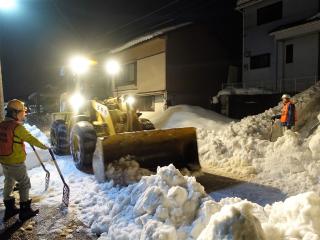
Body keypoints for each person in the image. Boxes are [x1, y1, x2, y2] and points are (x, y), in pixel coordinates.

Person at [0, 99, 48, 221]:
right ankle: (25, 211)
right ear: (15, 113)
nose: (24, 114)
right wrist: (45, 146)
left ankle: (9, 208)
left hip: (4, 161)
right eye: (22, 111)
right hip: (15, 162)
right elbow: (31, 138)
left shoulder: (2, 125)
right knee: (24, 183)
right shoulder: (17, 128)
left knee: (9, 181)